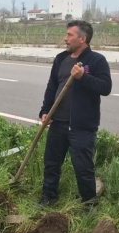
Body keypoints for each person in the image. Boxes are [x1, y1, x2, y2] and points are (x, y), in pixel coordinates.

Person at [37, 20, 112, 212]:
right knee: (51, 162)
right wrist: (45, 110)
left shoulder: (96, 60)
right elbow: (52, 87)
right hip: (58, 122)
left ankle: (89, 204)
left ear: (82, 38)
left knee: (83, 167)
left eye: (70, 35)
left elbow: (105, 87)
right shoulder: (61, 59)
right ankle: (48, 196)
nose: (65, 38)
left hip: (82, 126)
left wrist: (83, 77)